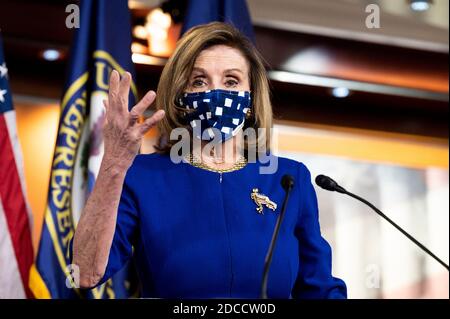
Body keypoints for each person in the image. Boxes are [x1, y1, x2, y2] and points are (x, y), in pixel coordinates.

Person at [72, 22, 347, 299]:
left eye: (231, 81)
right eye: (199, 81)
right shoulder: (142, 177)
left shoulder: (288, 179)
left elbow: (319, 289)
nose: (216, 93)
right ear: (181, 96)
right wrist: (114, 165)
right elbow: (84, 273)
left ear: (250, 99)